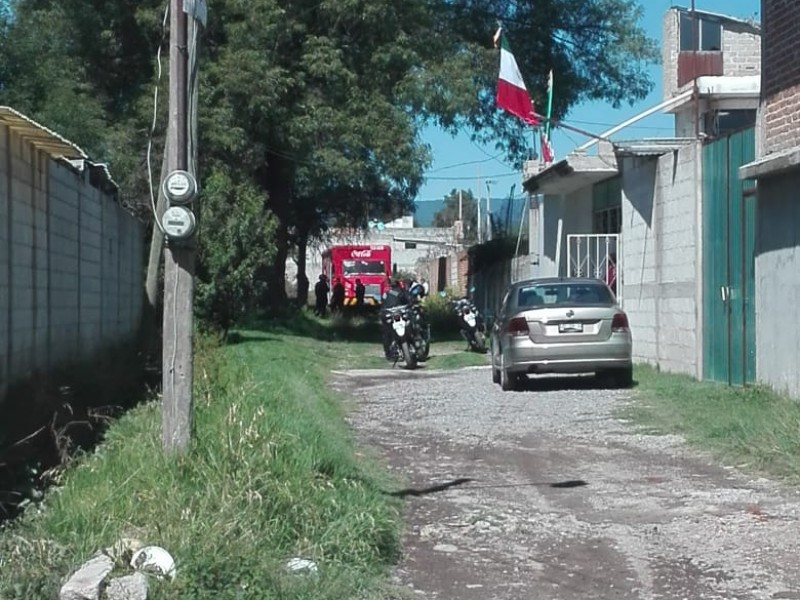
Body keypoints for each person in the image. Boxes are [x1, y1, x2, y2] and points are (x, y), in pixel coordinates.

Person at [380, 279, 411, 359]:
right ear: (398, 285)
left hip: (388, 315)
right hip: (399, 313)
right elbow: (407, 302)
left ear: (390, 286)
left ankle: (388, 353)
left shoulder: (385, 294)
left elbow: (383, 303)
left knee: (386, 334)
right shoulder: (401, 293)